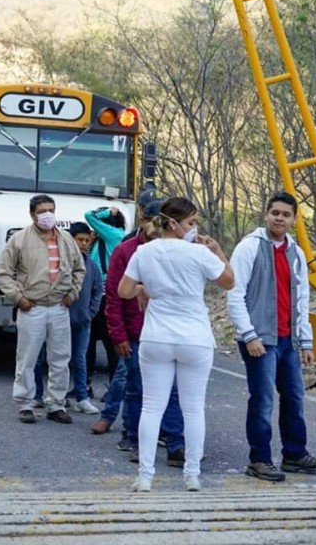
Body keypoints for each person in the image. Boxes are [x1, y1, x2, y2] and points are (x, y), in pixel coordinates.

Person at [118, 196, 234, 492]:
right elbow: (228, 282)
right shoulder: (199, 254)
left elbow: (124, 290)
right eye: (191, 222)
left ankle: (145, 476)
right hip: (194, 338)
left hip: (156, 336)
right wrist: (218, 250)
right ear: (173, 223)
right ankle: (191, 474)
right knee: (193, 409)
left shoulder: (145, 252)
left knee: (151, 407)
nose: (195, 228)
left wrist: (146, 288)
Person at [227, 191, 316, 482]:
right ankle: (259, 459)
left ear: (295, 219)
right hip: (259, 338)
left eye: (286, 214)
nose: (280, 218)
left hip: (288, 340)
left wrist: (305, 341)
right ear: (266, 214)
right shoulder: (249, 248)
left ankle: (294, 454)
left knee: (294, 397)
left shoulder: (295, 252)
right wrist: (249, 335)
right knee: (262, 400)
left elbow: (301, 298)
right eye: (275, 213)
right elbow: (234, 294)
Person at [101, 199, 186, 471]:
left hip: (171, 331)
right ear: (143, 220)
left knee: (173, 389)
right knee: (137, 386)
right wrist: (119, 336)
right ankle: (136, 439)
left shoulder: (179, 251)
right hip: (137, 334)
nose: (156, 227)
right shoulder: (126, 252)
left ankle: (176, 444)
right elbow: (114, 297)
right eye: (153, 220)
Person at [0, 194, 85, 424]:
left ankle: (56, 404)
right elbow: (4, 273)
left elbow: (79, 270)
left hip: (59, 307)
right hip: (32, 307)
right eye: (42, 211)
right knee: (27, 358)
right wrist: (18, 298)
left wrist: (72, 294)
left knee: (60, 358)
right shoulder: (19, 240)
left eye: (51, 210)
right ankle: (25, 404)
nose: (47, 215)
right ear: (32, 215)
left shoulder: (66, 239)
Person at [84, 206, 127, 392]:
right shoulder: (101, 240)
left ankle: (114, 387)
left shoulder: (114, 235)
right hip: (94, 293)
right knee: (88, 342)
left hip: (105, 295)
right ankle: (86, 384)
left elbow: (89, 215)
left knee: (110, 344)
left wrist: (110, 211)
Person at [66, 222, 103, 414]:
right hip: (60, 319)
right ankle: (58, 396)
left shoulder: (92, 266)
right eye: (80, 240)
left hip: (83, 321)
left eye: (87, 240)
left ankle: (82, 396)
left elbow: (98, 290)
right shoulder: (62, 263)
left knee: (79, 359)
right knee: (58, 360)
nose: (84, 244)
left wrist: (90, 313)